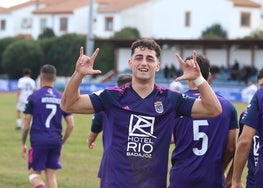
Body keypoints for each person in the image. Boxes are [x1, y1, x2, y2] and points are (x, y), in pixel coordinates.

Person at [61, 38, 222, 187]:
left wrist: (199, 79)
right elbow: (69, 105)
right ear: (130, 63)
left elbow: (213, 109)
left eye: (149, 58)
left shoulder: (171, 99)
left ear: (157, 65)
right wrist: (79, 74)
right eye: (139, 57)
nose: (143, 62)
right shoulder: (112, 96)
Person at [169, 54, 238, 188]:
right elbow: (231, 148)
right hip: (213, 178)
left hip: (182, 176)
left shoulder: (177, 104)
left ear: (186, 73)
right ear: (209, 75)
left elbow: (167, 138)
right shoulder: (228, 107)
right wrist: (220, 170)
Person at [21, 64, 75, 188]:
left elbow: (26, 123)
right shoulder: (62, 98)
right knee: (51, 174)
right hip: (56, 140)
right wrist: (62, 142)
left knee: (33, 174)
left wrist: (23, 143)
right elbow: (71, 124)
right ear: (55, 78)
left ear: (40, 77)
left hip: (39, 140)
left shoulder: (34, 97)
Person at [231, 67, 263, 188]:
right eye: (262, 86)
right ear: (257, 86)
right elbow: (242, 145)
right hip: (254, 177)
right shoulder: (245, 116)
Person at [87, 73, 132, 149]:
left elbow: (95, 127)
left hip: (114, 153)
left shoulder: (106, 103)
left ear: (117, 86)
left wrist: (90, 141)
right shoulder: (142, 103)